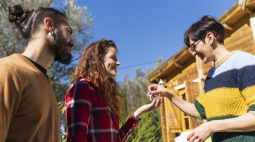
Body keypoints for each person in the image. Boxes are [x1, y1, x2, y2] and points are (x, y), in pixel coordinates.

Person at [148, 15, 255, 142]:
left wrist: (212, 126)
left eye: (194, 46)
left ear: (210, 38)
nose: (193, 53)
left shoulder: (243, 62)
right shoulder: (212, 74)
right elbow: (198, 111)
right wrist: (167, 93)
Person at [0, 3, 74, 142]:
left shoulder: (45, 84)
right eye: (68, 32)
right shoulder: (8, 71)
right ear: (50, 25)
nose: (72, 42)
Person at [65, 38, 163, 142]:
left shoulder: (103, 95)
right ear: (98, 59)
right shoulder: (82, 88)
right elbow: (77, 138)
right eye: (113, 58)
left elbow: (116, 139)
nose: (118, 63)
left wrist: (139, 113)